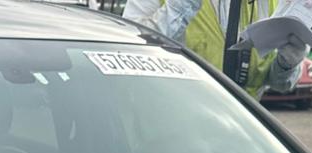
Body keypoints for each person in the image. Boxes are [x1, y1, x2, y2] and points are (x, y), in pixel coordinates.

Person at [122, 0, 286, 93]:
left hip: (242, 126)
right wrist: (183, 5)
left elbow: (280, 84)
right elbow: (129, 51)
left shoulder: (271, 3)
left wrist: (287, 63)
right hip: (173, 124)